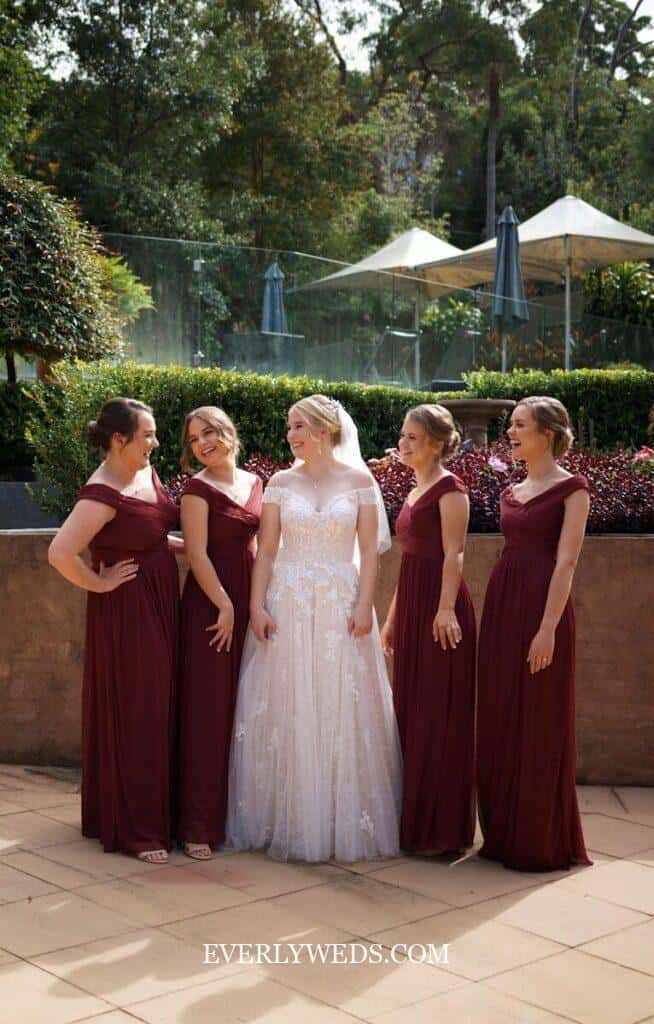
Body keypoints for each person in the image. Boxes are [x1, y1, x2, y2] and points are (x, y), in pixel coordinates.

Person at [226, 394, 401, 862]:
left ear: (324, 430)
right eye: (289, 427)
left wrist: (365, 606)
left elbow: (368, 553)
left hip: (341, 601)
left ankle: (336, 819)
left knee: (339, 702)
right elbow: (265, 551)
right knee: (290, 703)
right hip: (288, 600)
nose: (291, 435)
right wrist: (255, 606)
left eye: (297, 426)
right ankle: (287, 817)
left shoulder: (361, 481)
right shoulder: (280, 482)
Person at [48, 398, 181, 863]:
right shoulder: (100, 493)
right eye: (147, 434)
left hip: (162, 602)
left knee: (158, 706)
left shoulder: (144, 472)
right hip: (129, 612)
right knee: (140, 710)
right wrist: (101, 584)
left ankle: (130, 812)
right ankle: (138, 831)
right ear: (118, 439)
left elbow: (153, 533)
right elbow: (60, 553)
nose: (155, 442)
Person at [477, 396, 591, 872]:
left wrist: (547, 629)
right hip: (503, 607)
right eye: (511, 425)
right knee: (501, 717)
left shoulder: (573, 491)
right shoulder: (512, 491)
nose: (512, 432)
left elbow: (566, 563)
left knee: (540, 721)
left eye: (520, 425)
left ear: (548, 433)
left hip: (544, 612)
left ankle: (538, 842)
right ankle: (501, 836)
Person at [381, 405, 476, 855]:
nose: (404, 444)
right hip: (415, 605)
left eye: (413, 438)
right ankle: (416, 826)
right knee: (412, 712)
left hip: (442, 612)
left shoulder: (451, 490)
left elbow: (454, 555)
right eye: (403, 436)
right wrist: (394, 618)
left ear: (438, 443)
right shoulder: (415, 489)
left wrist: (444, 610)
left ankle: (443, 832)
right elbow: (409, 560)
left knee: (441, 716)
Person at [177, 407, 262, 860]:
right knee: (207, 711)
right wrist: (225, 603)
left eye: (208, 432)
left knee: (240, 711)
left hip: (249, 597)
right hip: (211, 607)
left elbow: (261, 545)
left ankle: (231, 817)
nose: (202, 443)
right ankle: (196, 826)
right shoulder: (196, 489)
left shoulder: (256, 483)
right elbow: (196, 553)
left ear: (229, 431)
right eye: (193, 439)